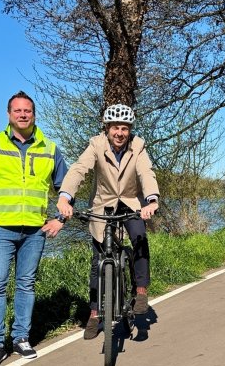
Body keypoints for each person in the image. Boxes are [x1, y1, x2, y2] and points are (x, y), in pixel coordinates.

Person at [0, 91, 68, 366]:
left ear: (34, 114)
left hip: (35, 230)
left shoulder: (49, 147)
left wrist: (60, 218)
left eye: (28, 111)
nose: (23, 115)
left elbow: (66, 188)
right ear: (9, 115)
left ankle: (21, 337)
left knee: (26, 284)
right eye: (17, 111)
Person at [56, 103, 160, 340]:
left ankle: (141, 291)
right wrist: (65, 197)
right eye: (115, 128)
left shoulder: (138, 146)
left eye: (124, 128)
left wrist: (151, 201)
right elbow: (79, 169)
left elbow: (146, 173)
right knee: (98, 260)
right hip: (103, 204)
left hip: (132, 202)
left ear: (129, 130)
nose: (120, 133)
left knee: (139, 238)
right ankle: (94, 313)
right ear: (107, 128)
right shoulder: (96, 145)